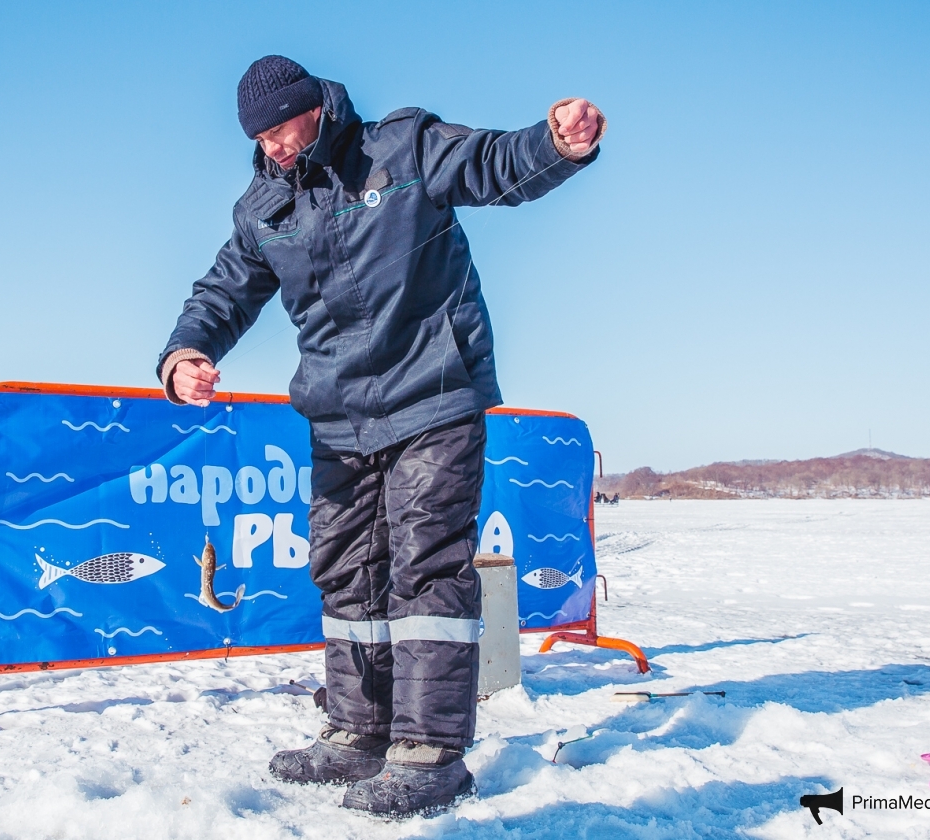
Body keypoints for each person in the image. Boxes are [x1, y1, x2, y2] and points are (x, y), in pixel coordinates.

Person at [157, 55, 605, 815]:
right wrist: (184, 353)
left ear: (315, 110)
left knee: (426, 569)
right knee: (344, 571)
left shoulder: (401, 148)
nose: (275, 146)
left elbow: (494, 165)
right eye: (260, 137)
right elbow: (225, 288)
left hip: (432, 394)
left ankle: (430, 754)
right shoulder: (265, 205)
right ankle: (357, 731)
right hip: (338, 416)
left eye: (282, 128)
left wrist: (557, 143)